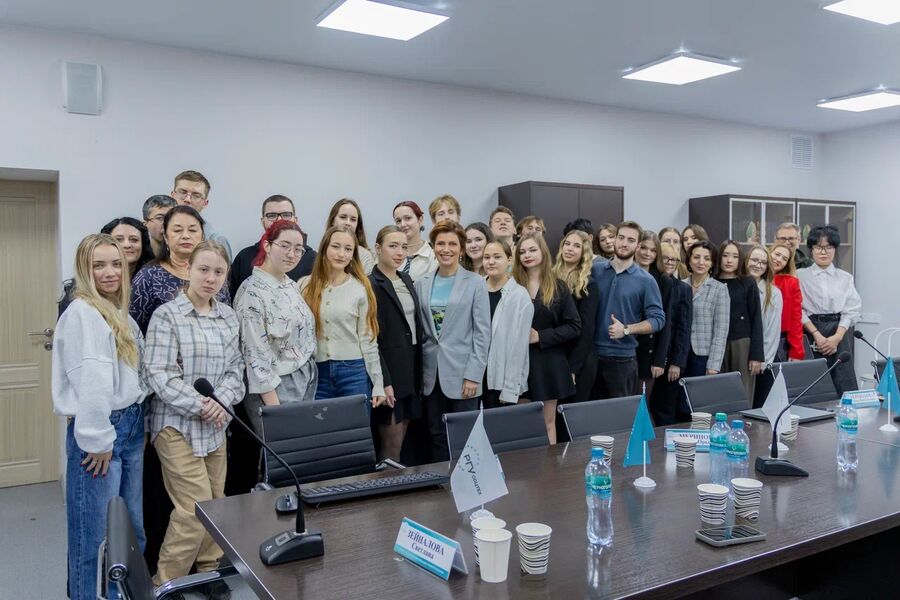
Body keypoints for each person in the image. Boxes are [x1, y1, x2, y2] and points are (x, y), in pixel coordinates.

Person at [144, 240, 243, 600]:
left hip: (215, 424)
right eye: (203, 269)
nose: (210, 278)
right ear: (188, 269)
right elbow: (159, 375)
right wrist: (203, 404)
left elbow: (236, 371)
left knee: (216, 502)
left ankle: (208, 570)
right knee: (193, 507)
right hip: (175, 424)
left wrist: (222, 402)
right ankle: (166, 582)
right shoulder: (167, 315)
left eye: (218, 272)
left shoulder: (228, 316)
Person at [52, 234, 146, 600]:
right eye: (98, 265)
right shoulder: (83, 312)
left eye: (116, 264)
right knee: (94, 539)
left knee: (129, 532)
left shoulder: (114, 310)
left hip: (128, 424)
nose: (110, 273)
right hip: (103, 431)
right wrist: (96, 438)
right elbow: (91, 380)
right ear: (83, 269)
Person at [415, 221, 491, 462]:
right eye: (440, 244)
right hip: (431, 375)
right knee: (436, 434)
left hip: (464, 374)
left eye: (452, 244)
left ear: (461, 248)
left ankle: (467, 482)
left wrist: (474, 375)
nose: (446, 249)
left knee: (465, 437)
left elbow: (482, 333)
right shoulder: (422, 282)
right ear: (433, 247)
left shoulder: (476, 282)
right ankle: (442, 480)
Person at [234, 220, 318, 435]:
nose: (292, 254)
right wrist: (275, 409)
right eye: (285, 246)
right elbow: (255, 354)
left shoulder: (290, 284)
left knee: (301, 448)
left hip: (304, 379)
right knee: (282, 446)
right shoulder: (252, 292)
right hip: (274, 387)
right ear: (267, 245)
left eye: (298, 249)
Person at [301, 226, 384, 409]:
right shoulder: (305, 285)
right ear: (324, 248)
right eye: (336, 246)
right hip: (317, 373)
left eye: (348, 249)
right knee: (321, 426)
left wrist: (378, 383)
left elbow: (368, 340)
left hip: (353, 372)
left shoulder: (360, 288)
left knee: (355, 426)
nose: (341, 254)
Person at [514, 234, 580, 444]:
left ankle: (550, 465)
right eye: (522, 252)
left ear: (543, 252)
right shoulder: (511, 285)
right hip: (517, 363)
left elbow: (574, 326)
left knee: (547, 422)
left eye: (532, 250)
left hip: (548, 363)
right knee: (521, 424)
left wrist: (540, 336)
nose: (527, 255)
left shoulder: (559, 286)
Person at [590, 222, 666, 400]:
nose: (624, 243)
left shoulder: (646, 280)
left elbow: (658, 319)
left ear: (638, 246)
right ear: (615, 239)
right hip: (591, 357)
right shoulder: (595, 271)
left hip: (622, 361)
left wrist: (626, 329)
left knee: (620, 415)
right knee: (590, 414)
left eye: (631, 240)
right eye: (621, 237)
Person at [369, 226, 424, 461]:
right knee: (390, 443)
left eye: (404, 247)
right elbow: (371, 338)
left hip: (411, 367)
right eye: (393, 246)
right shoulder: (370, 284)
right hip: (389, 370)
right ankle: (386, 484)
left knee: (404, 441)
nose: (400, 252)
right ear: (378, 248)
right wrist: (384, 381)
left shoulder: (406, 279)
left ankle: (402, 482)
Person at [130, 206, 230, 334]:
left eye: (192, 230)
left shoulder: (214, 275)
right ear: (166, 237)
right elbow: (133, 329)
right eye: (177, 230)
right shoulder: (148, 276)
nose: (185, 236)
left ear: (202, 237)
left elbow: (226, 319)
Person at [798, 225, 862, 395]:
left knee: (844, 380)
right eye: (818, 247)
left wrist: (837, 337)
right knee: (813, 382)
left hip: (839, 330)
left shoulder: (845, 277)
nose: (823, 252)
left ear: (835, 249)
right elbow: (797, 309)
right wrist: (817, 335)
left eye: (828, 247)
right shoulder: (800, 275)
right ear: (811, 250)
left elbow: (851, 309)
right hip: (810, 330)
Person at [59, 217, 153, 317]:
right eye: (119, 239)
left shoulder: (150, 280)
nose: (127, 245)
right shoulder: (80, 306)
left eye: (134, 240)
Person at [229, 194, 316, 299]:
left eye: (286, 214)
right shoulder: (244, 257)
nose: (279, 220)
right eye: (271, 215)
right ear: (262, 221)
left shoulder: (313, 259)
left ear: (295, 219)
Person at [483, 239, 533, 409]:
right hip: (474, 377)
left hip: (500, 379)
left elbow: (519, 347)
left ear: (509, 260)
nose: (491, 261)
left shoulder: (520, 296)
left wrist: (510, 388)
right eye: (487, 257)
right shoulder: (475, 288)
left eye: (497, 257)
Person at [716, 240, 765, 403]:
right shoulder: (712, 281)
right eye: (725, 255)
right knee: (718, 392)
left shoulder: (748, 282)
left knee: (742, 392)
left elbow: (756, 319)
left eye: (735, 256)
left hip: (742, 343)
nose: (729, 260)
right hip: (716, 344)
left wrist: (756, 355)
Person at [649, 243, 693, 425]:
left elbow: (684, 328)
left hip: (669, 359)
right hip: (646, 356)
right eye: (666, 258)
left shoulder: (683, 288)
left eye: (674, 259)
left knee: (664, 408)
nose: (670, 262)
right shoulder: (649, 281)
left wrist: (677, 362)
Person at [553, 230, 599, 402]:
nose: (570, 248)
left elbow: (587, 331)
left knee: (573, 411)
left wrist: (573, 369)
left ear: (584, 252)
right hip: (556, 356)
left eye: (576, 246)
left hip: (579, 360)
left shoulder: (588, 284)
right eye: (567, 244)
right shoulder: (550, 277)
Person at [634, 231, 674, 399]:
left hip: (648, 352)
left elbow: (666, 322)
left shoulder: (663, 280)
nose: (647, 253)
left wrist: (659, 359)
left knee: (642, 404)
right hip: (624, 349)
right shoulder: (623, 273)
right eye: (643, 247)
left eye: (653, 250)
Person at [683, 241, 730, 377]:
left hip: (703, 356)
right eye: (696, 257)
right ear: (689, 260)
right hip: (679, 354)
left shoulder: (720, 289)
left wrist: (714, 365)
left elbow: (721, 331)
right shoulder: (680, 285)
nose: (701, 262)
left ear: (712, 263)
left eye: (707, 258)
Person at [745, 244, 784, 408]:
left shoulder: (773, 293)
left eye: (763, 262)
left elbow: (772, 331)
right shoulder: (738, 287)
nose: (757, 265)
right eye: (754, 260)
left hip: (760, 362)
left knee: (757, 408)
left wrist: (763, 361)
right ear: (746, 261)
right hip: (739, 356)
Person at [170, 170, 232, 261]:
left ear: (205, 203)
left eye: (196, 195)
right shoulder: (159, 231)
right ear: (172, 196)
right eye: (183, 192)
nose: (187, 199)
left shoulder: (216, 240)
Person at [769, 241, 806, 361]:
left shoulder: (791, 283)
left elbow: (796, 319)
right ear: (769, 252)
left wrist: (796, 351)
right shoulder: (753, 277)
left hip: (778, 339)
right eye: (777, 254)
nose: (779, 260)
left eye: (784, 259)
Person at [325, 198, 376, 274]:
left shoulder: (364, 256)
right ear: (332, 220)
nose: (348, 223)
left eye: (353, 219)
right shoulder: (321, 250)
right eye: (343, 217)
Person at [394, 200, 438, 281]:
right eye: (398, 221)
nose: (403, 224)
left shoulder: (434, 256)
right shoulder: (391, 255)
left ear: (420, 220)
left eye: (408, 218)